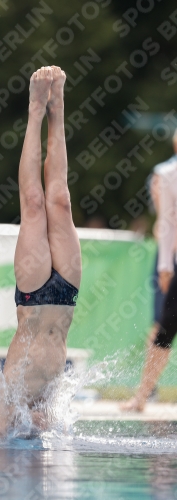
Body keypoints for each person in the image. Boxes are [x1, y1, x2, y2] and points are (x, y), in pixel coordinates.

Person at [0, 66, 81, 436]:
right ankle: (53, 109)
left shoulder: (6, 406)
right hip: (64, 295)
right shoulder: (23, 413)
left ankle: (40, 110)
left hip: (34, 292)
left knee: (38, 202)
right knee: (54, 200)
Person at [121, 132, 177, 412]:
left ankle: (142, 396)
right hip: (173, 256)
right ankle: (142, 395)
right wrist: (166, 264)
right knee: (165, 325)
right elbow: (165, 222)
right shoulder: (166, 174)